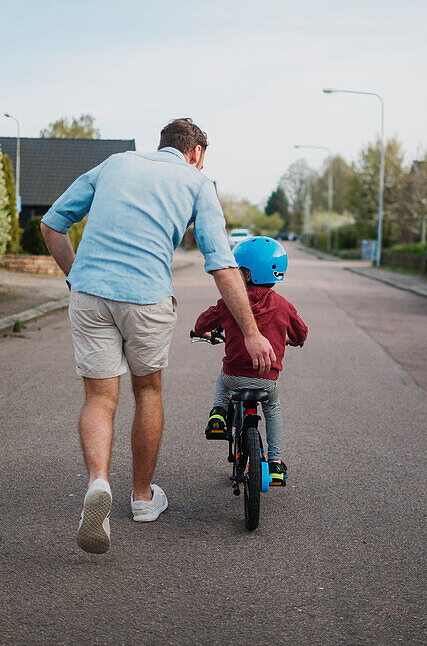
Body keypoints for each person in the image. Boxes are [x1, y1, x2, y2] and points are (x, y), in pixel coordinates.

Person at [40, 118, 274, 555]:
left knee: (98, 399)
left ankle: (97, 484)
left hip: (91, 294)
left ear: (160, 144)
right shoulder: (197, 183)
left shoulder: (114, 164)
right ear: (197, 153)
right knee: (147, 391)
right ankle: (143, 499)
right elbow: (222, 263)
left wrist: (77, 277)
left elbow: (52, 226)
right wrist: (252, 331)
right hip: (145, 299)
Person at [194, 237, 307, 486]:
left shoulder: (229, 303)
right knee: (273, 408)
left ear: (245, 274)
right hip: (267, 380)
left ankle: (218, 414)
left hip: (235, 374)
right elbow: (301, 333)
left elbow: (201, 323)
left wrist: (202, 331)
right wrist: (294, 341)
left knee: (223, 381)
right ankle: (275, 463)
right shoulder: (283, 304)